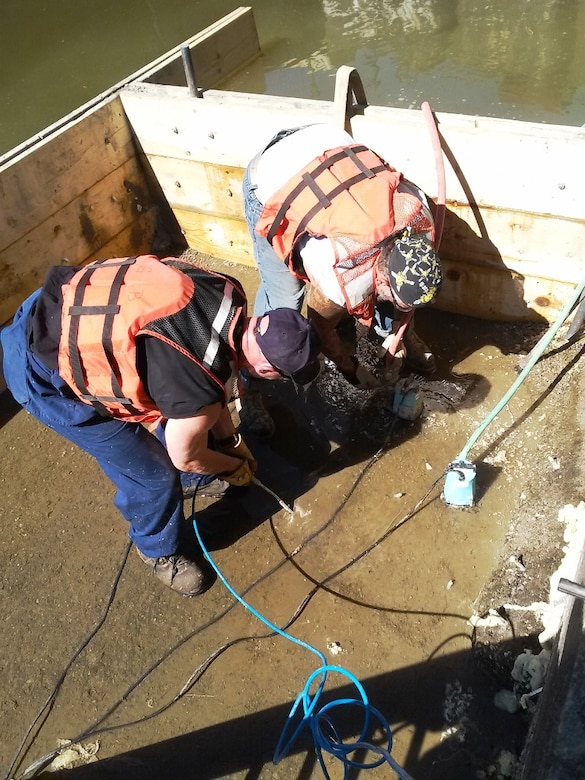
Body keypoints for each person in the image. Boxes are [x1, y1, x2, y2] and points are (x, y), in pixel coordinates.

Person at [0, 254, 321, 598]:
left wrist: (230, 444)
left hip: (61, 304)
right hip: (43, 371)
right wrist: (232, 466)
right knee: (153, 476)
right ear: (269, 370)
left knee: (183, 418)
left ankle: (195, 477)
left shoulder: (230, 294)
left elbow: (213, 384)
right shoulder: (196, 389)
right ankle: (156, 550)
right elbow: (187, 444)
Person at [241, 122, 442, 436]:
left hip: (326, 143)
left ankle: (398, 337)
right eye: (390, 296)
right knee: (284, 314)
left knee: (396, 305)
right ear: (379, 277)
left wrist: (398, 333)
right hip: (272, 181)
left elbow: (409, 287)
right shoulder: (343, 274)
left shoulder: (418, 217)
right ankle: (247, 386)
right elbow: (319, 325)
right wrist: (351, 368)